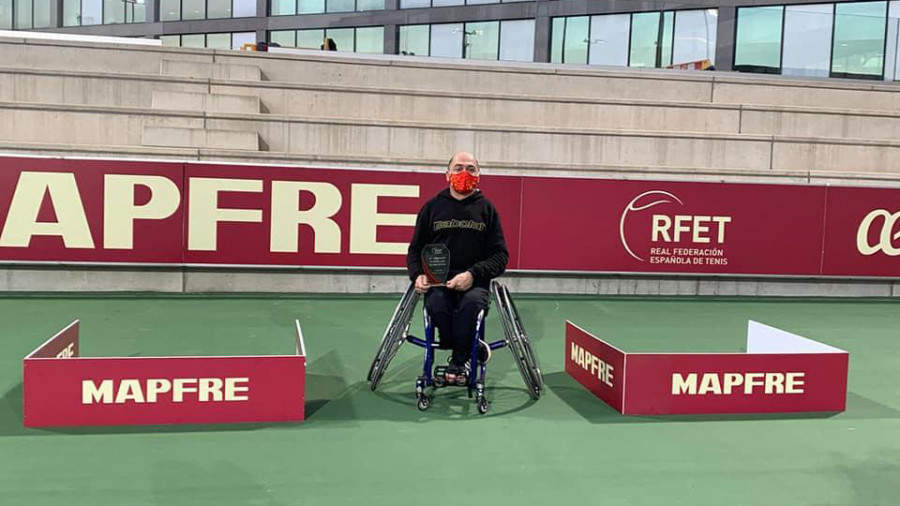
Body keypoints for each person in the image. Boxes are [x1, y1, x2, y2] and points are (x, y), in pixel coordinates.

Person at [406, 152, 509, 383]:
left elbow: (500, 255)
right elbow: (415, 250)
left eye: (471, 169)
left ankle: (458, 360)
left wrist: (473, 274)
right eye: (459, 167)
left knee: (472, 305)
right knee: (438, 304)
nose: (465, 173)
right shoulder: (432, 207)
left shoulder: (487, 209)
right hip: (438, 281)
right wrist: (417, 275)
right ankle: (466, 349)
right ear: (447, 174)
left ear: (479, 175)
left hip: (474, 282)